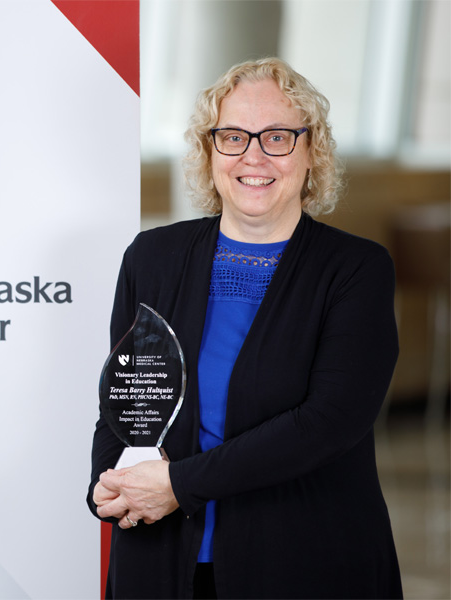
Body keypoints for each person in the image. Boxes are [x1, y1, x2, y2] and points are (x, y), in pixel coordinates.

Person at [88, 57, 403, 599]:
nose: (253, 156)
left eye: (277, 136)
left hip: (301, 563)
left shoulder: (355, 270)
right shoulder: (152, 258)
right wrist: (110, 487)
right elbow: (124, 401)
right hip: (161, 563)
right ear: (210, 151)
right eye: (233, 136)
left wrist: (177, 486)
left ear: (312, 152)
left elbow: (328, 422)